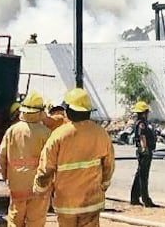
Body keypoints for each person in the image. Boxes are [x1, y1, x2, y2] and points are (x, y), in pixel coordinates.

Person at [33, 88, 114, 227]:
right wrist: (104, 185)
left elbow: (46, 169)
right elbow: (108, 165)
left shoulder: (59, 135)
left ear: (68, 111)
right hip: (91, 202)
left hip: (66, 204)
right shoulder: (101, 134)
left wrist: (39, 189)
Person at [0, 91, 51, 227]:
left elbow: (2, 158)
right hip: (38, 185)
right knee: (36, 220)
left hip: (17, 183)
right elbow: (51, 161)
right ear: (39, 111)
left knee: (15, 218)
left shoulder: (12, 131)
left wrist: (7, 177)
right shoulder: (46, 133)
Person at [129, 101, 156, 208]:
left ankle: (134, 197)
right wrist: (145, 150)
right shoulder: (142, 123)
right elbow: (142, 137)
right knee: (144, 176)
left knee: (139, 175)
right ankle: (146, 199)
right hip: (144, 152)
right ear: (144, 112)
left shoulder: (140, 122)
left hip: (142, 151)